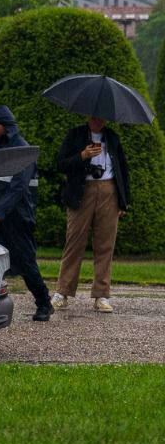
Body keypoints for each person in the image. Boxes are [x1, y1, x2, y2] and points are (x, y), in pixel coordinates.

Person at [0, 105, 52, 322]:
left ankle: (44, 304)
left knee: (26, 263)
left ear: (6, 128)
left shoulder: (22, 150)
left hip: (16, 218)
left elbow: (19, 187)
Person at [53, 115, 130, 313]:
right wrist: (83, 156)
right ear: (88, 115)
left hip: (108, 191)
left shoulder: (112, 137)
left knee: (105, 244)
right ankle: (63, 291)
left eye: (103, 117)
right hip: (81, 191)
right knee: (74, 242)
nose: (99, 120)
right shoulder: (76, 135)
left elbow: (122, 169)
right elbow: (61, 164)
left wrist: (123, 201)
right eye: (96, 117)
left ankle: (101, 295)